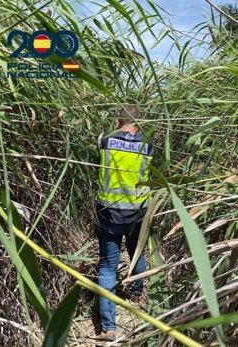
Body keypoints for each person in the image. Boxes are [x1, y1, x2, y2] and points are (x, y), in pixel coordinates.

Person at [95, 105, 154, 341]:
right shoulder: (147, 146)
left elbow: (99, 146)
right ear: (138, 124)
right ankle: (137, 293)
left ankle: (109, 327)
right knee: (136, 253)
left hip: (108, 214)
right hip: (137, 214)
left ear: (117, 122)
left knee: (108, 267)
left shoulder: (106, 141)